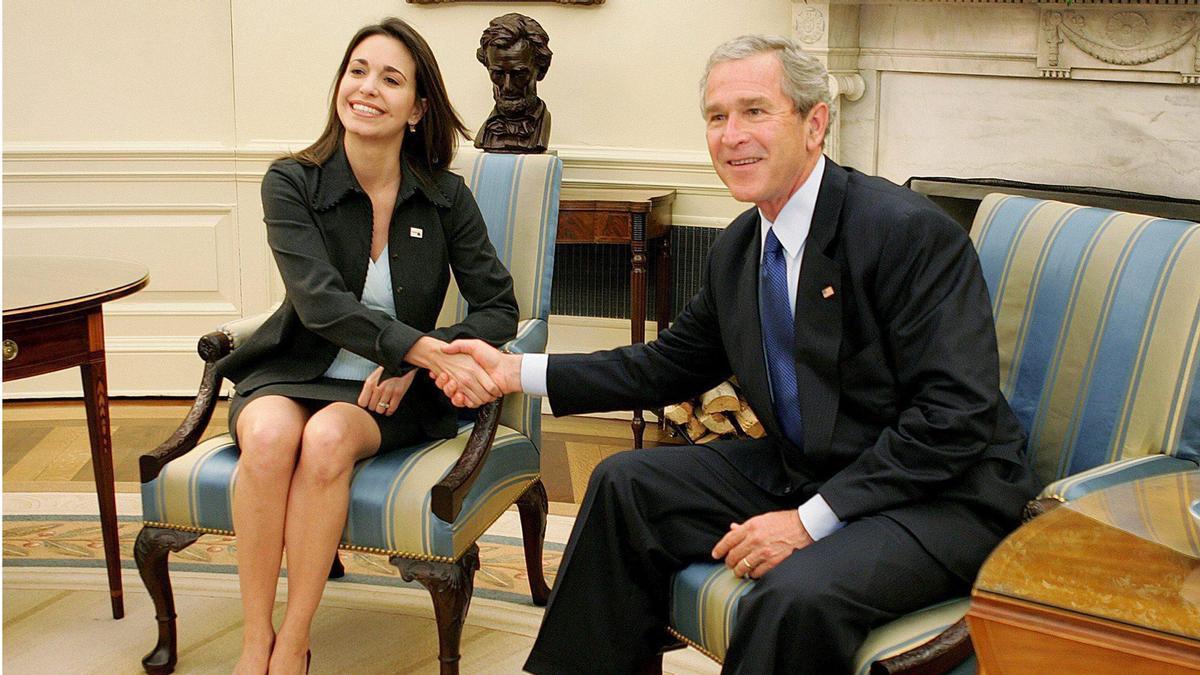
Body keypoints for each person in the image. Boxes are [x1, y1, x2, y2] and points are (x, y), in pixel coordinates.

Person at [438, 34, 1040, 673]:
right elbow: (667, 365)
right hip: (811, 464)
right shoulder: (741, 248)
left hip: (941, 495)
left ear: (815, 124)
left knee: (793, 597)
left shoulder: (908, 232)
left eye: (755, 111)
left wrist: (808, 523)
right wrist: (513, 371)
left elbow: (955, 417)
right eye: (717, 117)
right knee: (626, 484)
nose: (731, 135)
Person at [215, 18, 514, 675]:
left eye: (390, 78)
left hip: (389, 393)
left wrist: (420, 356)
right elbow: (320, 303)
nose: (367, 87)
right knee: (266, 436)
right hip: (294, 368)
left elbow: (499, 308)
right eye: (357, 70)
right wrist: (417, 348)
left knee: (326, 439)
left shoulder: (445, 197)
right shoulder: (292, 181)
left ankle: (294, 641)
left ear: (418, 108)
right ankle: (254, 639)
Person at [474, 13, 553, 154]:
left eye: (519, 74)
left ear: (541, 70)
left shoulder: (541, 127)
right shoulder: (486, 133)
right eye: (498, 74)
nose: (507, 86)